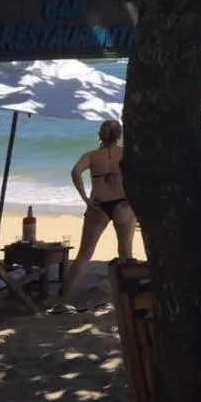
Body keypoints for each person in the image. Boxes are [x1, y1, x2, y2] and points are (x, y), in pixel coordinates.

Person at [62, 119, 136, 300]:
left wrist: (85, 198)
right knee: (126, 254)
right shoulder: (126, 153)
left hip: (98, 205)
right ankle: (129, 298)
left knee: (84, 254)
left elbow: (75, 172)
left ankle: (64, 298)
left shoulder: (91, 155)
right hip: (123, 205)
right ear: (119, 135)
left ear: (100, 135)